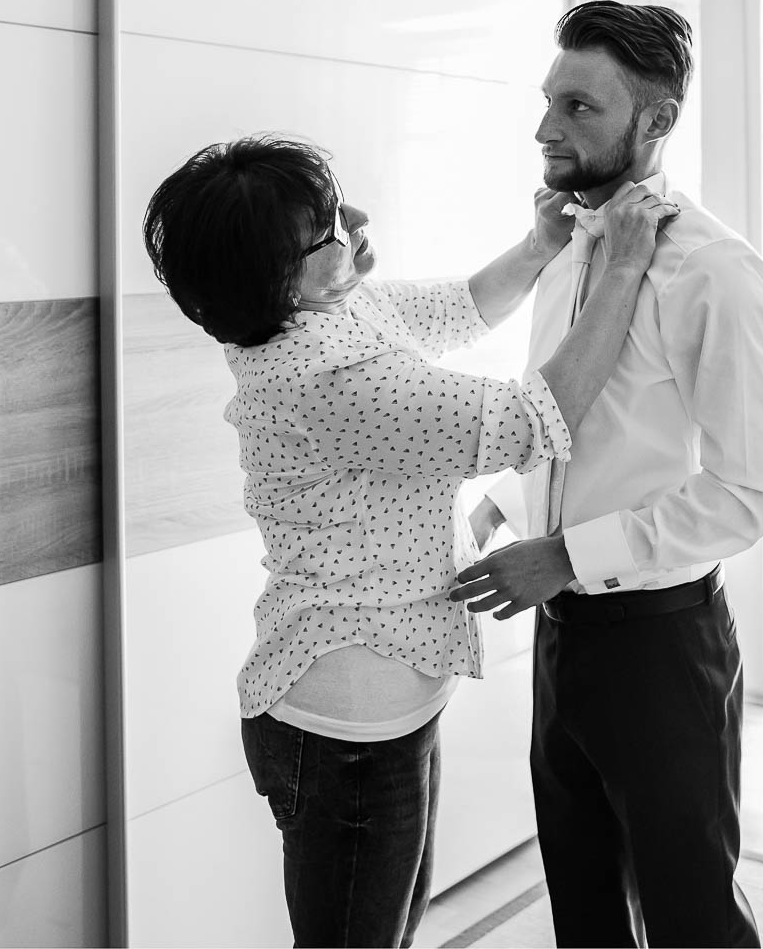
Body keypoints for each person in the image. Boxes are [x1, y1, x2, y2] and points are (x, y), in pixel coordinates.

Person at [141, 133, 677, 948]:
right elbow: (539, 417)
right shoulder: (327, 379)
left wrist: (541, 247)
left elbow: (457, 308)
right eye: (325, 229)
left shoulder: (324, 311)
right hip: (347, 732)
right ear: (276, 279)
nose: (354, 220)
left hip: (382, 703)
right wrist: (626, 268)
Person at [451, 1, 763, 948]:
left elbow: (747, 491)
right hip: (562, 641)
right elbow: (569, 429)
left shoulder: (715, 272)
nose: (546, 129)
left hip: (661, 651)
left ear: (657, 121)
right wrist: (498, 506)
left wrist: (566, 553)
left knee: (692, 919)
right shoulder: (565, 248)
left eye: (579, 108)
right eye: (548, 101)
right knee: (583, 907)